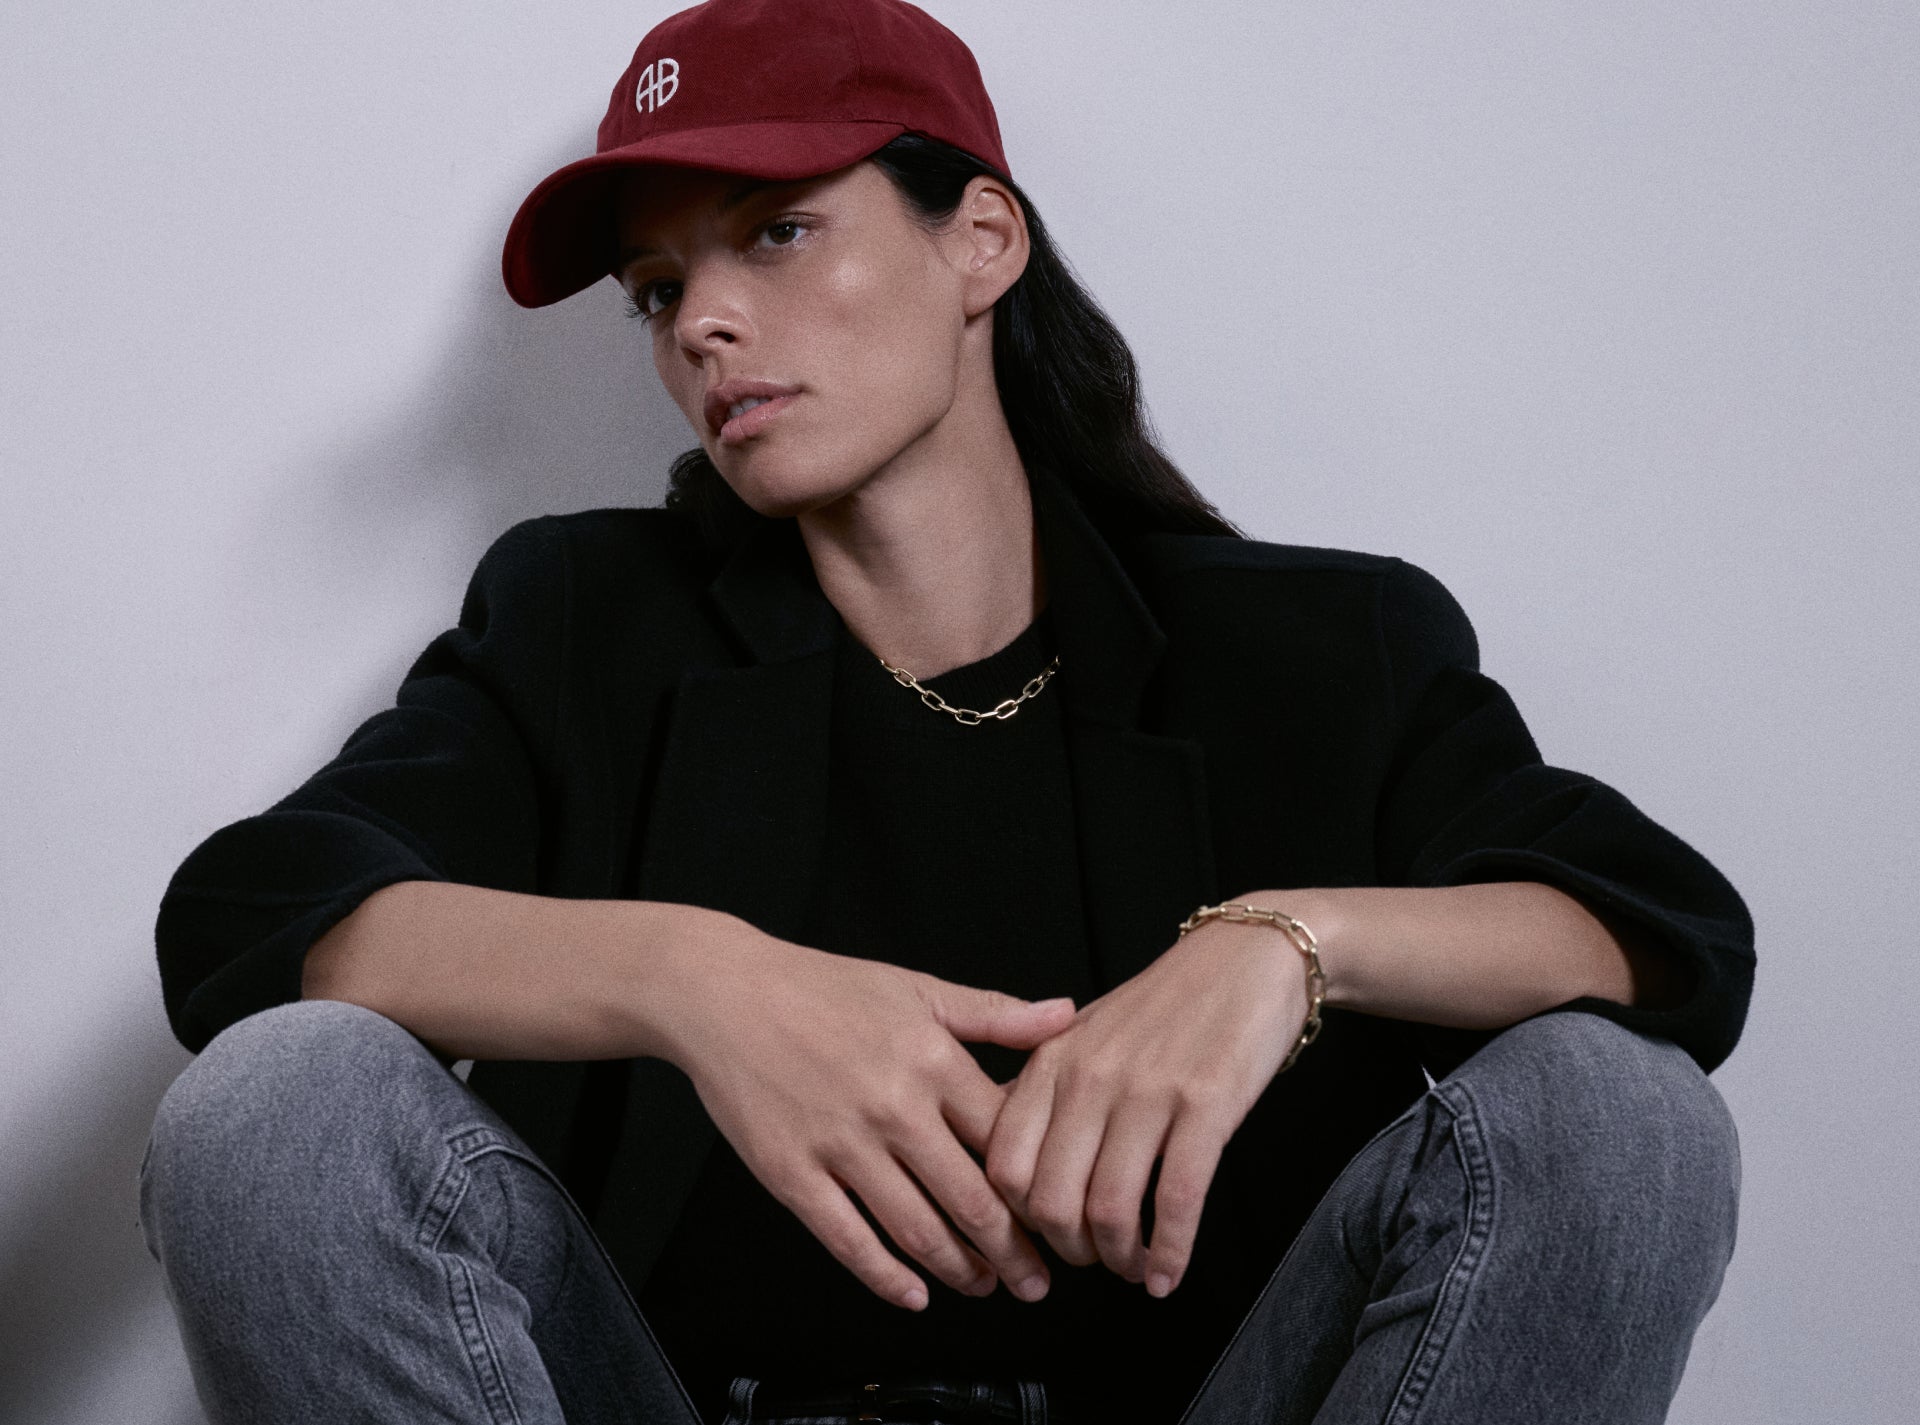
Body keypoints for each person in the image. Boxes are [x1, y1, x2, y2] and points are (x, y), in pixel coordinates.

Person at [137, 2, 1753, 1422]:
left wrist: (1283, 945)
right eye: (654, 286)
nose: (699, 322)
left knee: (1622, 1119)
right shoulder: (587, 623)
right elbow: (250, 918)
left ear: (982, 238)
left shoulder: (1321, 646)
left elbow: (1669, 928)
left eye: (774, 231)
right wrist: (698, 981)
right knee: (276, 1112)